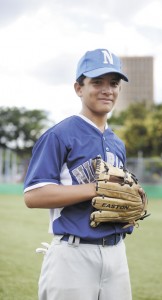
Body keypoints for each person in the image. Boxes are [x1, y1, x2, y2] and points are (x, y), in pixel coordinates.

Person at [24, 48, 133, 300]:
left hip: (117, 253)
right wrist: (97, 188)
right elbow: (34, 196)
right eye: (97, 82)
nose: (107, 90)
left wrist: (127, 211)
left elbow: (115, 199)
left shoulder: (118, 143)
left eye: (114, 83)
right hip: (73, 254)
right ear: (78, 88)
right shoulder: (59, 135)